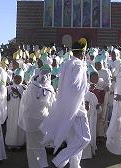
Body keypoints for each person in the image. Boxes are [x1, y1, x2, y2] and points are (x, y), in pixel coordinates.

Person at [39, 38, 90, 168]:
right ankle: (59, 161)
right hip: (76, 108)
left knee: (74, 140)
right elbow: (74, 87)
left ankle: (75, 166)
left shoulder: (67, 63)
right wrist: (78, 106)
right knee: (84, 138)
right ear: (82, 53)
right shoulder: (78, 64)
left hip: (68, 106)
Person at [19, 64, 55, 168]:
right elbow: (53, 106)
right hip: (43, 121)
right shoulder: (50, 89)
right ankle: (42, 164)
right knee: (40, 145)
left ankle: (35, 165)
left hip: (30, 120)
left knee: (31, 145)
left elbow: (25, 103)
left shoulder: (31, 87)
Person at [5, 68, 26, 150]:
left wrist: (18, 93)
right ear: (13, 78)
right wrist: (10, 93)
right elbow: (5, 99)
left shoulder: (24, 87)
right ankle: (10, 143)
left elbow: (25, 100)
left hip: (20, 110)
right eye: (16, 77)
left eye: (19, 78)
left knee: (19, 125)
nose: (17, 79)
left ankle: (20, 143)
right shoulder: (8, 88)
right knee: (11, 125)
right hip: (11, 110)